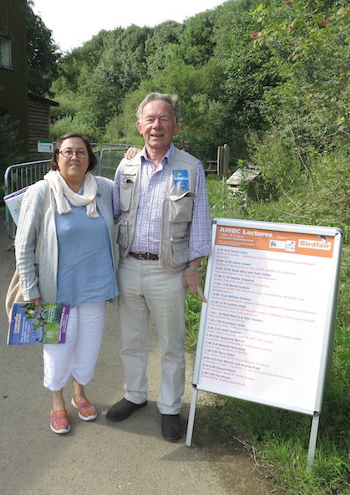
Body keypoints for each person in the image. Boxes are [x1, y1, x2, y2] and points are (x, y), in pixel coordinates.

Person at [107, 92, 211, 442]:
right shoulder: (127, 165)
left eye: (164, 119)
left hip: (169, 270)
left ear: (175, 126)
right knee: (131, 341)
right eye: (150, 119)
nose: (156, 126)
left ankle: (169, 407)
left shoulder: (191, 167)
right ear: (139, 126)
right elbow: (112, 215)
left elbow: (199, 220)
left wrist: (194, 265)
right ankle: (135, 395)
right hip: (129, 267)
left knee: (171, 345)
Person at [14, 132, 118, 435]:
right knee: (57, 349)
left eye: (81, 152)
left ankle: (80, 394)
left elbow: (133, 182)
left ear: (90, 158)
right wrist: (30, 288)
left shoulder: (103, 189)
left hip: (96, 288)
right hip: (54, 290)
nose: (74, 157)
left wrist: (133, 156)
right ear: (57, 157)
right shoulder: (41, 191)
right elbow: (24, 244)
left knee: (88, 348)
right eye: (67, 152)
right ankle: (58, 403)